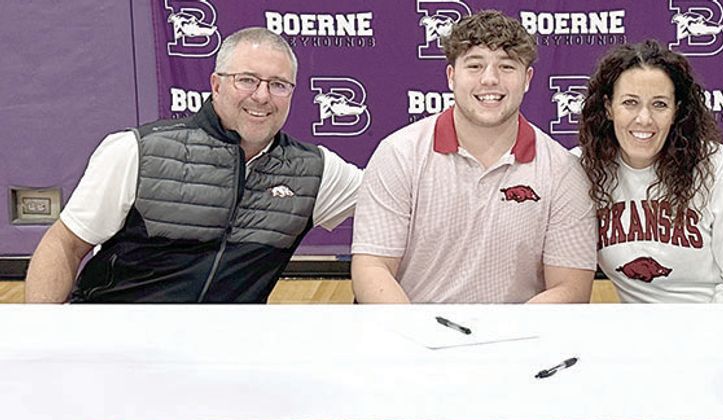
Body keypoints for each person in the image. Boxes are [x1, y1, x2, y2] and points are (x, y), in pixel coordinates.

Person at [24, 27, 361, 303]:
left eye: (278, 85)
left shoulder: (314, 170)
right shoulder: (138, 151)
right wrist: (41, 343)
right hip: (118, 344)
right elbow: (64, 245)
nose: (261, 96)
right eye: (247, 80)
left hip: (223, 355)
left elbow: (397, 194)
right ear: (216, 84)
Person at [351, 10, 595, 303]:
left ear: (527, 78)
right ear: (452, 76)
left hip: (519, 339)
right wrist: (416, 339)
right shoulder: (399, 154)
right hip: (416, 338)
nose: (490, 79)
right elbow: (372, 268)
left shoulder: (562, 170)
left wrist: (508, 339)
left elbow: (570, 287)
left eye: (506, 67)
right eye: (475, 65)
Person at [579, 40, 723, 303]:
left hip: (717, 330)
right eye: (630, 103)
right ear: (608, 108)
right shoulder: (581, 169)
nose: (644, 118)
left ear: (676, 111)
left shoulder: (715, 166)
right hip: (639, 336)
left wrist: (701, 340)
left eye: (659, 104)